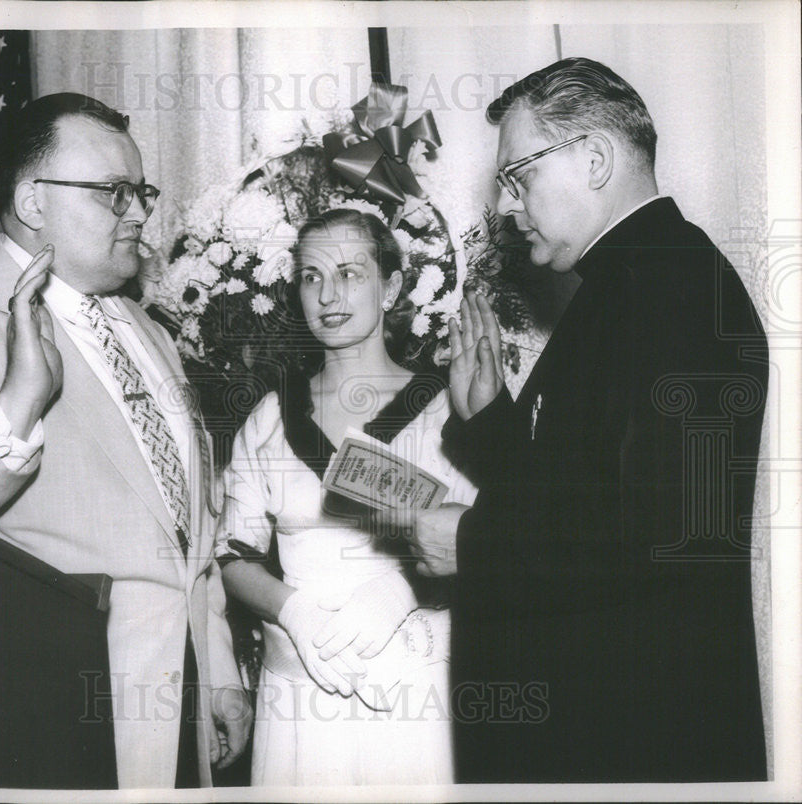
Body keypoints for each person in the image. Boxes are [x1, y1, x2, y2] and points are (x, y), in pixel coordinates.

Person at [0, 92, 251, 788]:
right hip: (42, 723)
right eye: (114, 193)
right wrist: (13, 405)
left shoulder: (151, 334)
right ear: (32, 201)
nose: (141, 213)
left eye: (142, 191)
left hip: (177, 709)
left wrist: (219, 663)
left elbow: (190, 529)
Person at [410, 58, 768, 781]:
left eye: (519, 177)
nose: (508, 207)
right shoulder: (637, 281)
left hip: (639, 742)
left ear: (596, 159)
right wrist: (489, 421)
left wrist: (474, 546)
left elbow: (670, 530)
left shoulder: (675, 291)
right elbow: (589, 489)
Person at [216, 208, 477, 786]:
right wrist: (294, 612)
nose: (328, 295)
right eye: (311, 277)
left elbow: (486, 541)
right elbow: (232, 555)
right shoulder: (269, 417)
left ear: (393, 286)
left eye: (350, 274)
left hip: (411, 692)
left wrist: (399, 590)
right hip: (302, 690)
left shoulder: (444, 408)